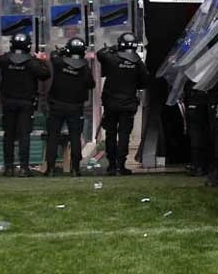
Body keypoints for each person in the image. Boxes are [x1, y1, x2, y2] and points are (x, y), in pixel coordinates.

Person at [0, 32, 51, 176]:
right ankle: (23, 168)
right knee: (24, 135)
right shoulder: (32, 63)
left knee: (8, 135)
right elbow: (45, 75)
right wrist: (41, 60)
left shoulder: (4, 60)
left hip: (8, 101)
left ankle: (8, 168)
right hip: (26, 102)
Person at [97, 32, 148, 176]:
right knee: (124, 135)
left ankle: (111, 165)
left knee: (111, 134)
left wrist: (114, 48)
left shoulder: (112, 58)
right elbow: (144, 82)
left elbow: (100, 53)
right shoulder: (138, 62)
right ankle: (121, 165)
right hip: (128, 103)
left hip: (110, 103)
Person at [47, 37, 95, 175]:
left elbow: (53, 55)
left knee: (53, 137)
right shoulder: (84, 66)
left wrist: (62, 51)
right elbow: (91, 84)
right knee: (75, 137)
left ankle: (50, 168)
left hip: (57, 104)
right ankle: (75, 168)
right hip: (75, 106)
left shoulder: (59, 62)